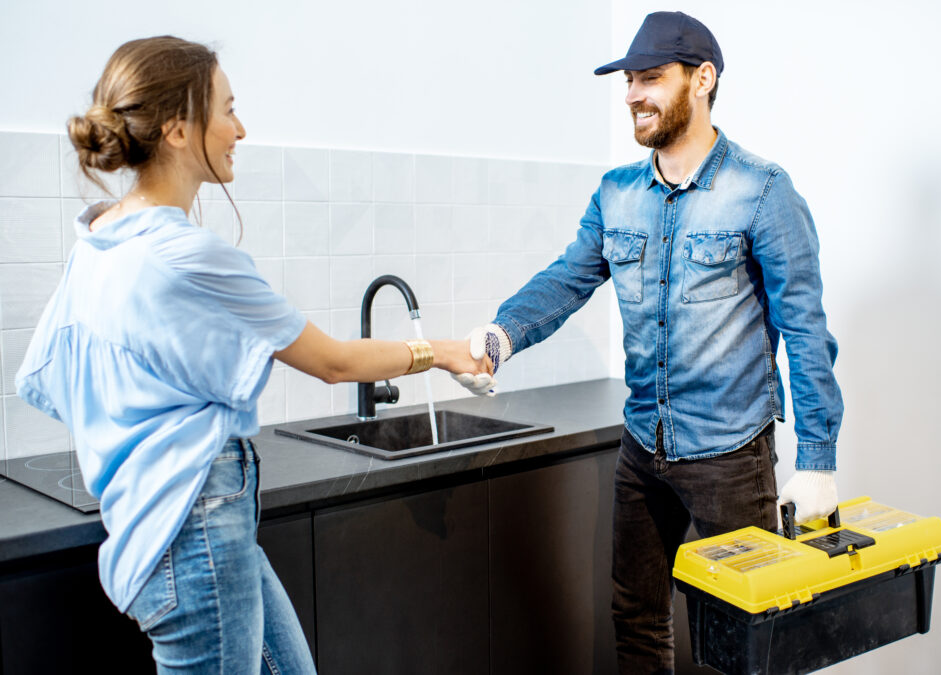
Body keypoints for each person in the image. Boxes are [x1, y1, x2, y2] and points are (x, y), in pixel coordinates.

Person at [15, 35, 489, 674]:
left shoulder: (98, 241)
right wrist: (446, 352)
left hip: (158, 521)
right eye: (227, 109)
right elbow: (336, 363)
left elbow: (48, 377)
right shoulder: (191, 257)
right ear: (179, 129)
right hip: (195, 526)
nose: (241, 127)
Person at [453, 11, 844, 674]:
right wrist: (502, 333)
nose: (633, 92)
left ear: (703, 79)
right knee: (636, 621)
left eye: (650, 77)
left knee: (743, 641)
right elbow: (567, 279)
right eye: (629, 79)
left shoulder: (763, 192)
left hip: (731, 456)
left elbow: (806, 331)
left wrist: (818, 458)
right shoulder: (616, 194)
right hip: (643, 450)